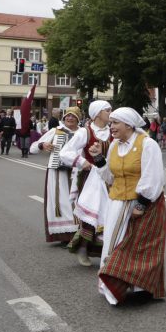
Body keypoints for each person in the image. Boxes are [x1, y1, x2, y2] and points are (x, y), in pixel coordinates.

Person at [94, 107, 166, 306]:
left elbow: (154, 176)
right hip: (117, 202)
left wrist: (141, 204)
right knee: (114, 243)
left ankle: (141, 287)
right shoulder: (114, 146)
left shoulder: (147, 144)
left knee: (140, 246)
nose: (111, 127)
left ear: (128, 124)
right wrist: (99, 160)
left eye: (115, 123)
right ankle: (115, 284)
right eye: (110, 123)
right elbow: (110, 177)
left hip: (142, 202)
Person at [59, 100, 112, 266]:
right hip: (89, 177)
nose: (111, 113)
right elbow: (65, 152)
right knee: (90, 215)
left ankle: (107, 252)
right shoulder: (85, 132)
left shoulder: (113, 131)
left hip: (109, 178)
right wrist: (83, 163)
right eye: (107, 110)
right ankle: (82, 249)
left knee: (109, 214)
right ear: (97, 114)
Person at [29, 107, 82, 244]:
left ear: (78, 119)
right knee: (61, 202)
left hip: (78, 171)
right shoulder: (56, 131)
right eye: (67, 116)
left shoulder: (83, 133)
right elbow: (33, 148)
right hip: (57, 171)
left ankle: (80, 233)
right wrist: (43, 145)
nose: (70, 119)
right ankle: (65, 235)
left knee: (78, 202)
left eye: (73, 116)